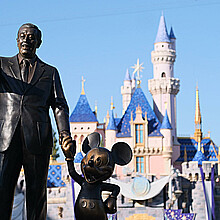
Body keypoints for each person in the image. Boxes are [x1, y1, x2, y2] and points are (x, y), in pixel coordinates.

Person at [0, 23, 74, 219]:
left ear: (39, 43)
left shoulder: (50, 72)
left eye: (32, 37)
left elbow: (59, 105)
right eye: (22, 36)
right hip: (6, 137)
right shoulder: (2, 66)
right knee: (1, 191)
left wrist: (64, 134)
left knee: (37, 195)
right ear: (16, 40)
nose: (26, 40)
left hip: (38, 139)